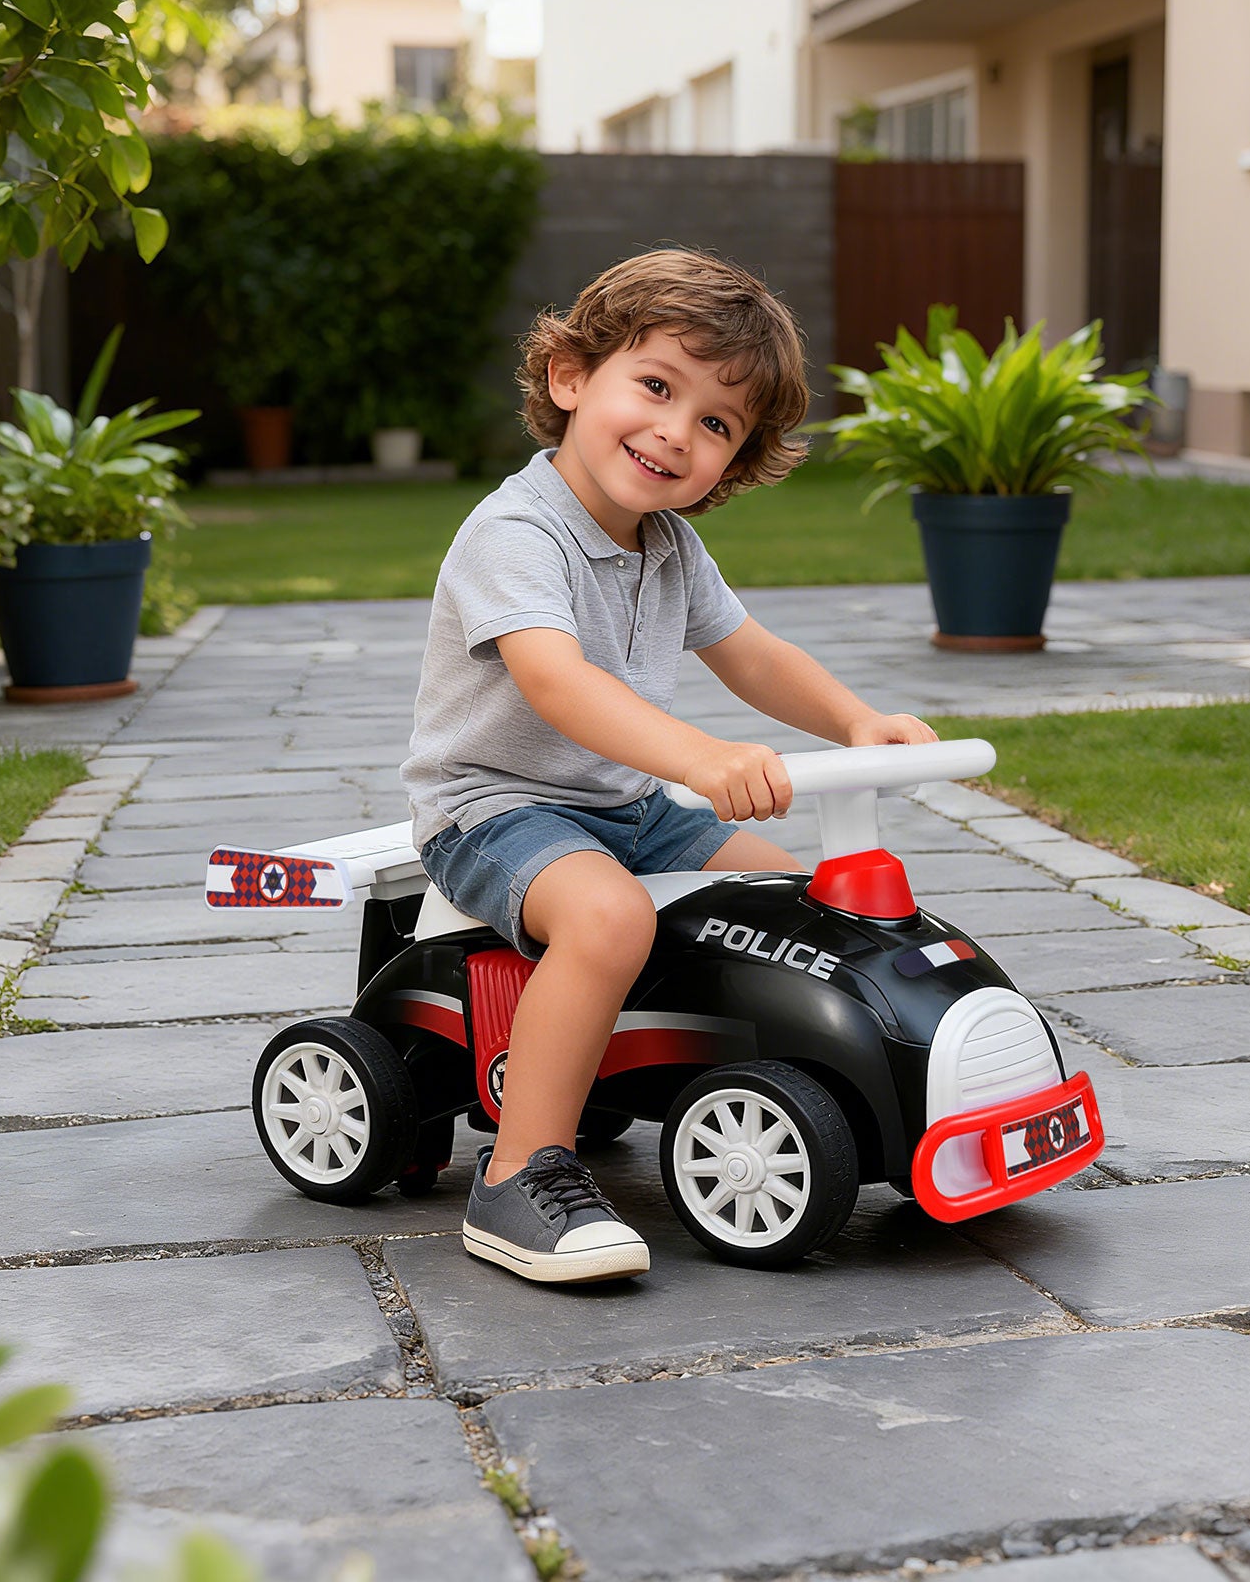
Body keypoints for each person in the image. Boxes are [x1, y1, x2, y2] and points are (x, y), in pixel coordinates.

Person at [401, 248, 935, 1285]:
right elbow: (557, 683)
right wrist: (698, 755)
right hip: (494, 807)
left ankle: (751, 1093)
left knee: (784, 897)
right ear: (570, 378)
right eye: (654, 387)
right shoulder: (514, 531)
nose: (672, 433)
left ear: (729, 466)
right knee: (609, 917)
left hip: (629, 806)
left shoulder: (670, 547)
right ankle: (518, 1176)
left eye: (714, 425)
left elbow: (751, 653)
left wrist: (853, 720)